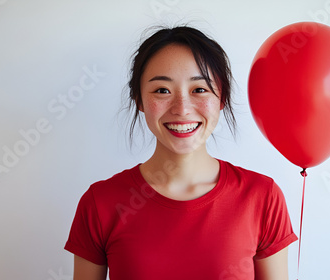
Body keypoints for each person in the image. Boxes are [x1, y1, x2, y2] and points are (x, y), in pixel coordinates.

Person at [64, 25, 297, 280]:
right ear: (139, 100)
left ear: (222, 98)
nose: (182, 109)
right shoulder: (100, 203)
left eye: (199, 89)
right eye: (162, 90)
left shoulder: (262, 198)